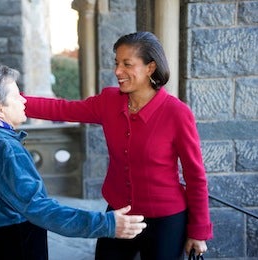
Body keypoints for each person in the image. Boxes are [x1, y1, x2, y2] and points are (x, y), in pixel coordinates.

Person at [24, 31, 213, 259]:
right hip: (118, 214)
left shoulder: (177, 114)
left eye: (127, 64)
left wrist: (199, 231)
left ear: (150, 68)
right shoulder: (109, 101)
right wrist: (14, 101)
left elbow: (195, 175)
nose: (117, 71)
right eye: (116, 63)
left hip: (166, 220)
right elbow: (62, 108)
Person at [0, 61, 147, 260]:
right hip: (12, 245)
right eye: (16, 96)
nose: (24, 101)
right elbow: (41, 209)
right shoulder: (4, 148)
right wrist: (105, 224)